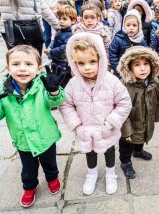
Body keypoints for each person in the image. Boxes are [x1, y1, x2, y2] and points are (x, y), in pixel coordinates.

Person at [0, 45, 66, 208]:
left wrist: (54, 91)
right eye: (16, 64)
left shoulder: (44, 84)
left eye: (28, 64)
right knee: (28, 168)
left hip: (46, 136)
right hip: (23, 140)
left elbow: (55, 102)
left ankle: (52, 178)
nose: (22, 69)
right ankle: (30, 186)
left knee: (50, 163)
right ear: (8, 68)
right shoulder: (2, 91)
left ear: (39, 69)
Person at [59, 33, 131, 196]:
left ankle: (110, 173)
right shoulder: (73, 83)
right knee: (89, 151)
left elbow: (124, 102)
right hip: (85, 129)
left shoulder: (111, 81)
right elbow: (66, 104)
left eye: (92, 61)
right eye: (81, 63)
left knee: (109, 150)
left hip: (107, 128)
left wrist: (112, 121)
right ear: (74, 63)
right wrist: (76, 124)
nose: (87, 67)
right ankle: (91, 173)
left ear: (101, 59)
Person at [116, 46, 159, 179]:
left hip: (145, 120)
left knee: (142, 136)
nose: (143, 68)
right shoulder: (124, 86)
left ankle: (138, 151)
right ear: (129, 68)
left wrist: (156, 116)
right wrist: (125, 131)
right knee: (126, 144)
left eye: (146, 64)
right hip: (129, 123)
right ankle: (125, 162)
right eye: (137, 65)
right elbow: (120, 110)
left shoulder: (154, 81)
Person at [44, 5, 76, 87]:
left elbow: (64, 48)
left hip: (64, 63)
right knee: (55, 78)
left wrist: (51, 51)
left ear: (73, 21)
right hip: (56, 60)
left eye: (64, 19)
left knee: (63, 82)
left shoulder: (70, 34)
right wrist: (49, 48)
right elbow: (54, 40)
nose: (61, 21)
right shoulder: (60, 31)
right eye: (59, 18)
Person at [109, 10, 147, 76]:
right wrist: (118, 68)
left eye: (134, 25)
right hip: (120, 72)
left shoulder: (141, 40)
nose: (131, 28)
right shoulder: (118, 39)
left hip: (136, 72)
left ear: (139, 26)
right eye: (128, 25)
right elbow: (113, 55)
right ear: (124, 25)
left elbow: (145, 55)